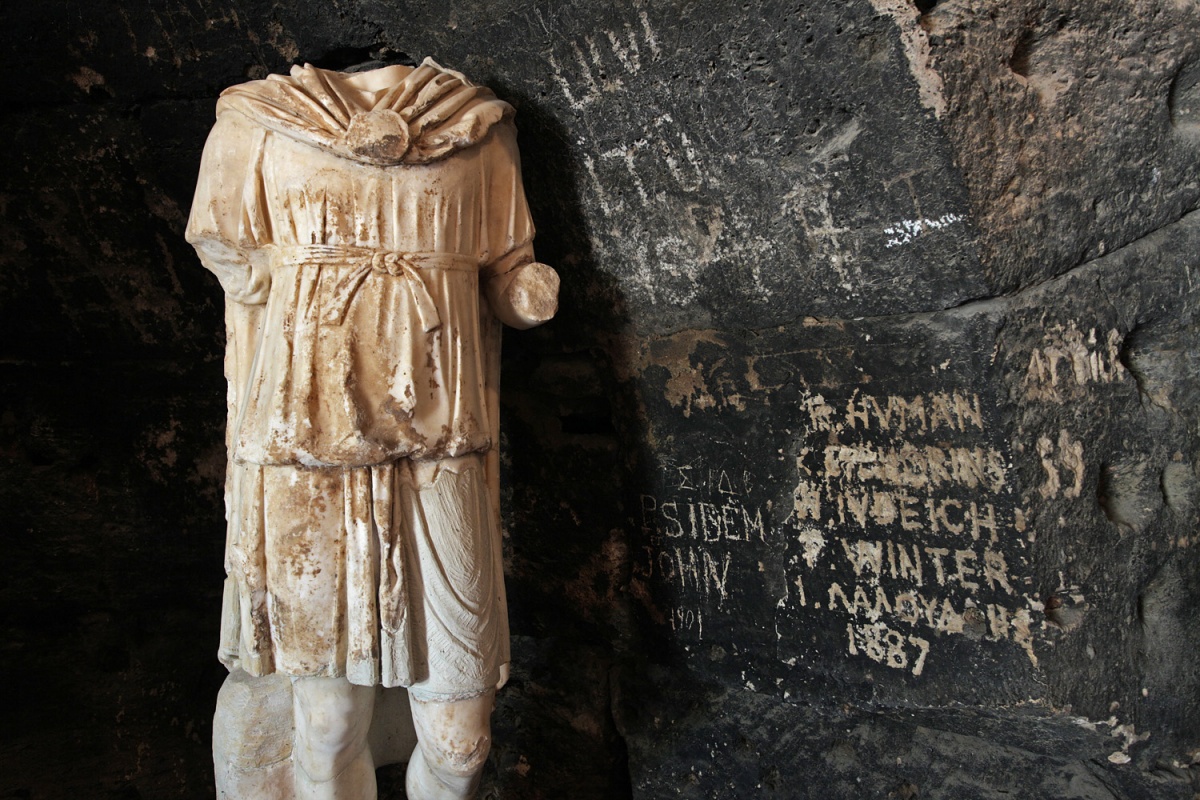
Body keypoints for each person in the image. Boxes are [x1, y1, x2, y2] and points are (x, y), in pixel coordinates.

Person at [186, 57, 558, 799]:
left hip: (441, 448)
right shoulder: (256, 121)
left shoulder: (476, 125)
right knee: (325, 727)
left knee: (461, 744)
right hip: (307, 449)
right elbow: (233, 257)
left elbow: (506, 270)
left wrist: (526, 292)